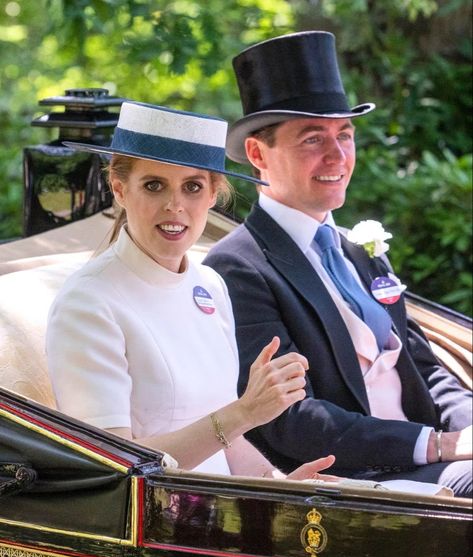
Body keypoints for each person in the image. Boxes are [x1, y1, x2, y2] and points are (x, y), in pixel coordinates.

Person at [204, 31, 472, 497]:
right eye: (313, 139)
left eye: (344, 135)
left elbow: (423, 367)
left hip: (431, 464)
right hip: (349, 483)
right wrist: (435, 444)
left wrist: (467, 429)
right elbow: (291, 419)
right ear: (257, 154)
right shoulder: (236, 267)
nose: (337, 155)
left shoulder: (361, 248)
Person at [46, 100, 336, 480]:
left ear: (213, 195)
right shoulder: (87, 303)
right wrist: (245, 411)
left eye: (193, 187)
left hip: (226, 508)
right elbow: (113, 468)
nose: (174, 205)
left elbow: (225, 442)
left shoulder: (210, 285)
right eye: (154, 186)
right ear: (119, 189)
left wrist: (281, 486)